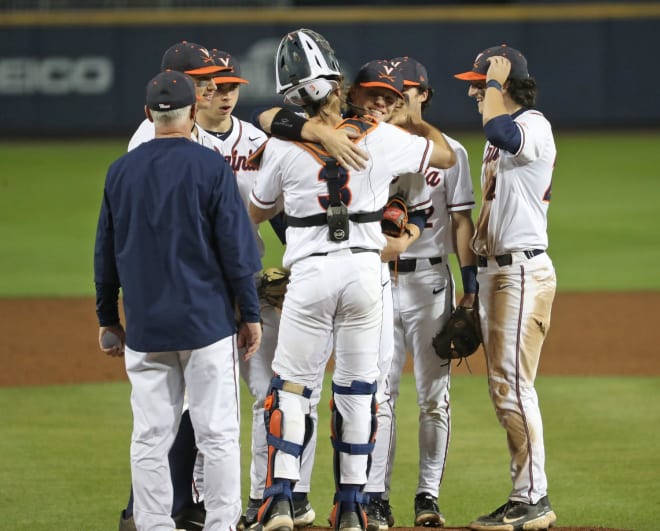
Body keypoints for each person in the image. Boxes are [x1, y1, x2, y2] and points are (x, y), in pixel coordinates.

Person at [247, 29, 455, 531]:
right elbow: (445, 158)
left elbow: (255, 209)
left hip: (310, 275)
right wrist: (412, 123)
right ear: (338, 83)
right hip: (366, 273)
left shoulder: (280, 148)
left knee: (292, 388)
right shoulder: (382, 138)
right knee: (359, 392)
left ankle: (278, 499)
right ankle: (354, 508)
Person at [95, 69, 263, 531]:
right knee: (219, 434)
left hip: (147, 328)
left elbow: (105, 252)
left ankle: (152, 525)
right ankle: (222, 525)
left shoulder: (120, 170)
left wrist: (109, 318)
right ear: (193, 112)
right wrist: (250, 314)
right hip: (207, 325)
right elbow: (237, 252)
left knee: (150, 436)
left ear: (149, 114)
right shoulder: (211, 167)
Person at [195, 49, 317, 530]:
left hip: (251, 288)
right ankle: (199, 499)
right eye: (217, 87)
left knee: (268, 395)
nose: (226, 95)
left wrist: (297, 264)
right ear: (199, 90)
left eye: (233, 87)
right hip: (201, 289)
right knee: (204, 403)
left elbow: (283, 208)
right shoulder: (181, 139)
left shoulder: (259, 141)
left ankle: (265, 498)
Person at [362, 56, 478, 531]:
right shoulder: (364, 145)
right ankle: (375, 497)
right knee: (380, 394)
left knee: (433, 396)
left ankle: (427, 496)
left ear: (423, 94)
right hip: (376, 280)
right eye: (387, 92)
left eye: (406, 90)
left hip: (430, 281)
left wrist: (470, 293)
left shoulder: (451, 151)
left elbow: (462, 221)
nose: (397, 98)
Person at [118, 41, 229, 531]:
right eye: (200, 78)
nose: (210, 86)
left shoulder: (185, 134)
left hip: (172, 294)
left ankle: (176, 504)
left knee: (174, 414)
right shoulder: (151, 141)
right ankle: (144, 511)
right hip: (178, 295)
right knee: (173, 416)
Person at [454, 44, 558, 531]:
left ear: (506, 84)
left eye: (481, 84)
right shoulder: (496, 140)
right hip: (496, 272)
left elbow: (500, 125)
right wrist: (470, 284)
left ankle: (533, 497)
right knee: (504, 388)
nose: (475, 93)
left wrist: (496, 84)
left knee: (513, 386)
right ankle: (525, 493)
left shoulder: (532, 126)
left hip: (522, 272)